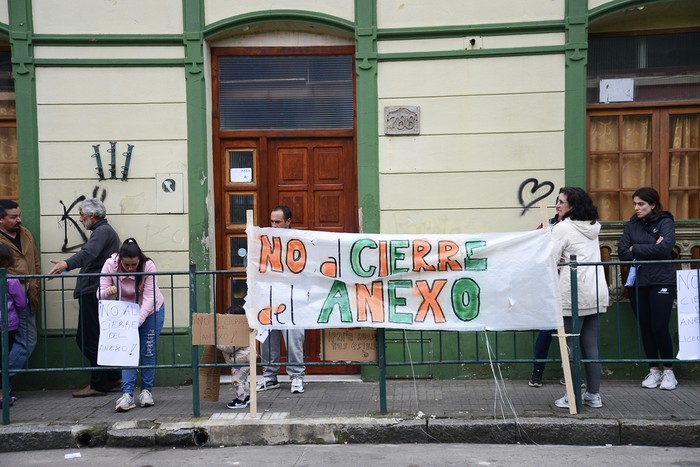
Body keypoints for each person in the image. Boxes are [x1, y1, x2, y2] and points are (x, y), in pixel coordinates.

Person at [48, 198, 121, 397]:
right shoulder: (102, 232)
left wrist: (66, 264)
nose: (80, 220)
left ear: (92, 216)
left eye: (82, 215)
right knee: (88, 338)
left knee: (89, 339)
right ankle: (112, 375)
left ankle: (98, 384)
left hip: (94, 291)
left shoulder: (103, 232)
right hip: (93, 290)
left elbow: (88, 254)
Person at [550, 187, 609, 409]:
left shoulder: (563, 228)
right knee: (590, 346)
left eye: (561, 202)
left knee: (570, 347)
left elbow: (550, 258)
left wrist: (559, 259)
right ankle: (593, 394)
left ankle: (572, 395)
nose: (557, 205)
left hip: (572, 292)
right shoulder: (592, 226)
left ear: (572, 206)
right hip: (595, 289)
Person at [618, 187, 677, 390]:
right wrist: (650, 246)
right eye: (634, 203)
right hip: (639, 282)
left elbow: (665, 249)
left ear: (653, 205)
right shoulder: (631, 225)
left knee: (660, 326)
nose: (636, 208)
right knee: (646, 328)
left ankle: (669, 371)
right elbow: (623, 253)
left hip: (662, 280)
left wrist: (637, 248)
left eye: (641, 204)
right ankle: (653, 370)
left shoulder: (665, 222)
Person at [99, 238, 165, 412]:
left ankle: (146, 392)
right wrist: (107, 292)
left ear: (139, 260)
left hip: (151, 311)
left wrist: (137, 321)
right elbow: (100, 292)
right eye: (126, 265)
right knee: (127, 352)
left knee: (148, 350)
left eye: (133, 265)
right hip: (125, 312)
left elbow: (150, 298)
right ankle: (127, 394)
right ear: (119, 259)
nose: (130, 268)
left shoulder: (148, 266)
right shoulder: (110, 265)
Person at [257, 205, 306, 394]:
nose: (274, 225)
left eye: (278, 222)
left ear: (288, 222)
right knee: (268, 340)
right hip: (270, 299)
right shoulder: (265, 242)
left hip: (293, 301)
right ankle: (270, 377)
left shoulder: (299, 242)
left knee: (294, 339)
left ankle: (296, 377)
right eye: (272, 221)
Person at [0, 200, 41, 396]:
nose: (19, 219)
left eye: (19, 215)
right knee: (23, 341)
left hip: (26, 297)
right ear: (1, 219)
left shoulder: (25, 234)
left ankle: (3, 384)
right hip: (6, 299)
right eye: (13, 217)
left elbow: (35, 262)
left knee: (27, 340)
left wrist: (34, 285)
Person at [0, 243, 27, 408]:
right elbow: (22, 302)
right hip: (7, 324)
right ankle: (3, 393)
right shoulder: (11, 280)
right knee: (3, 360)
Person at [217, 306, 251, 409]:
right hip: (244, 358)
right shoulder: (244, 328)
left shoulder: (238, 332)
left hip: (241, 359)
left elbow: (230, 347)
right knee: (243, 380)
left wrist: (217, 344)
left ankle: (241, 400)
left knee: (237, 380)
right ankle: (247, 396)